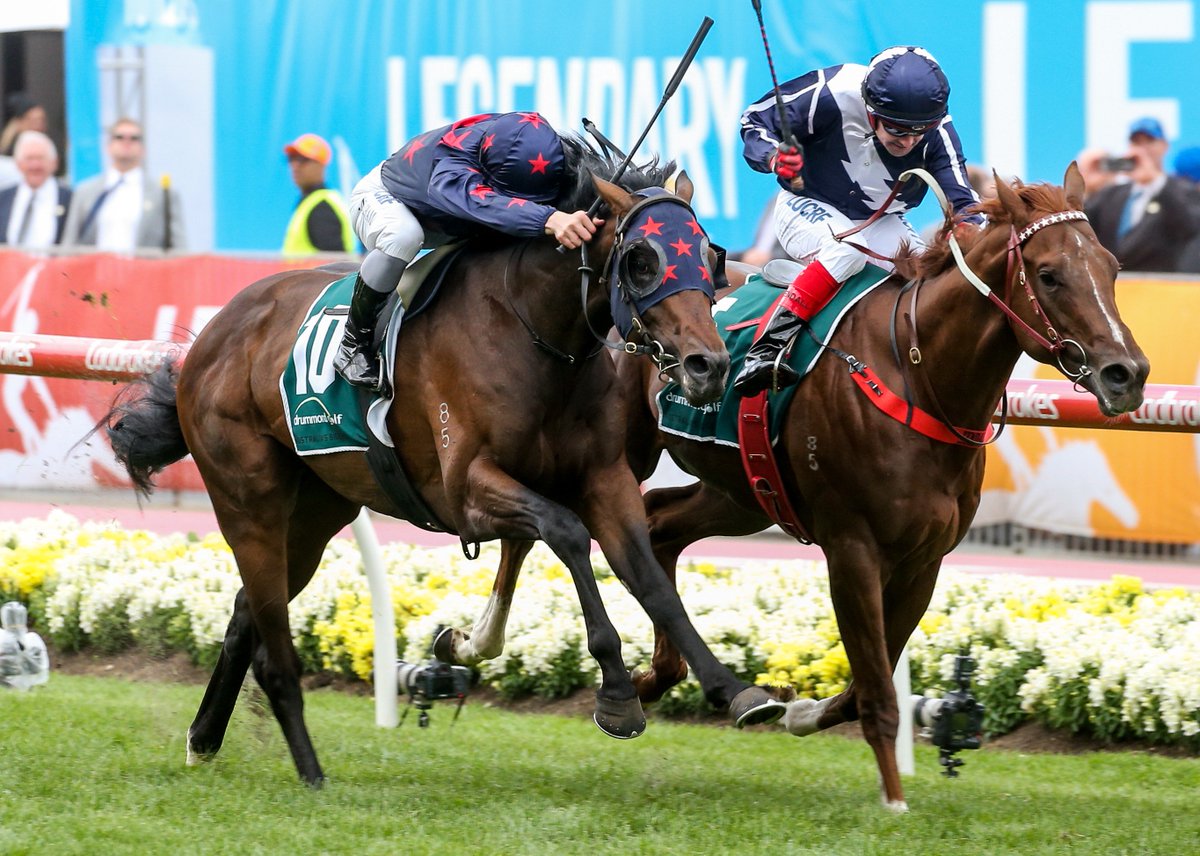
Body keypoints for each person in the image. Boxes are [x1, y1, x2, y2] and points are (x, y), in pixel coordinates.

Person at [734, 46, 981, 396]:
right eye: (897, 131)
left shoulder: (939, 133)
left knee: (927, 274)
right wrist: (773, 157)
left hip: (880, 221)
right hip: (806, 204)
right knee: (848, 253)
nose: (908, 142)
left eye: (919, 132)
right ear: (870, 109)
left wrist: (974, 235)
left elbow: (964, 205)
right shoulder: (831, 92)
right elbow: (755, 119)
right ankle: (767, 348)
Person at [334, 111, 599, 388]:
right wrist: (548, 218)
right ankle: (353, 343)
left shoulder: (538, 146)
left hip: (455, 216)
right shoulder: (450, 167)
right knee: (403, 237)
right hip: (391, 199)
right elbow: (482, 204)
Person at [1083, 117, 1198, 273]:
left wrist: (1154, 180)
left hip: (1161, 288)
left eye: (1150, 141)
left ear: (1164, 147)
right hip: (1115, 288)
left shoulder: (1183, 191)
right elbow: (1079, 228)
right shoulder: (1110, 195)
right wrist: (1086, 186)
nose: (1143, 149)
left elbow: (1190, 228)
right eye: (1137, 142)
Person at [60, 117, 187, 252]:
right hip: (97, 270)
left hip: (144, 270)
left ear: (143, 149)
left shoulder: (163, 194)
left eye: (134, 138)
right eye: (119, 137)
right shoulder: (85, 191)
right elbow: (70, 243)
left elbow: (178, 246)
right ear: (108, 146)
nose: (127, 142)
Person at [281, 133, 354, 255]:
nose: (295, 166)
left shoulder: (322, 207)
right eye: (291, 159)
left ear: (321, 165)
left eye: (302, 160)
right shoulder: (312, 202)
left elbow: (336, 267)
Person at [0, 131, 71, 248]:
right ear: (18, 164)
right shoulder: (3, 198)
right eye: (29, 159)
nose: (35, 166)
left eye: (41, 158)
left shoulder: (69, 199)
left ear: (54, 163)